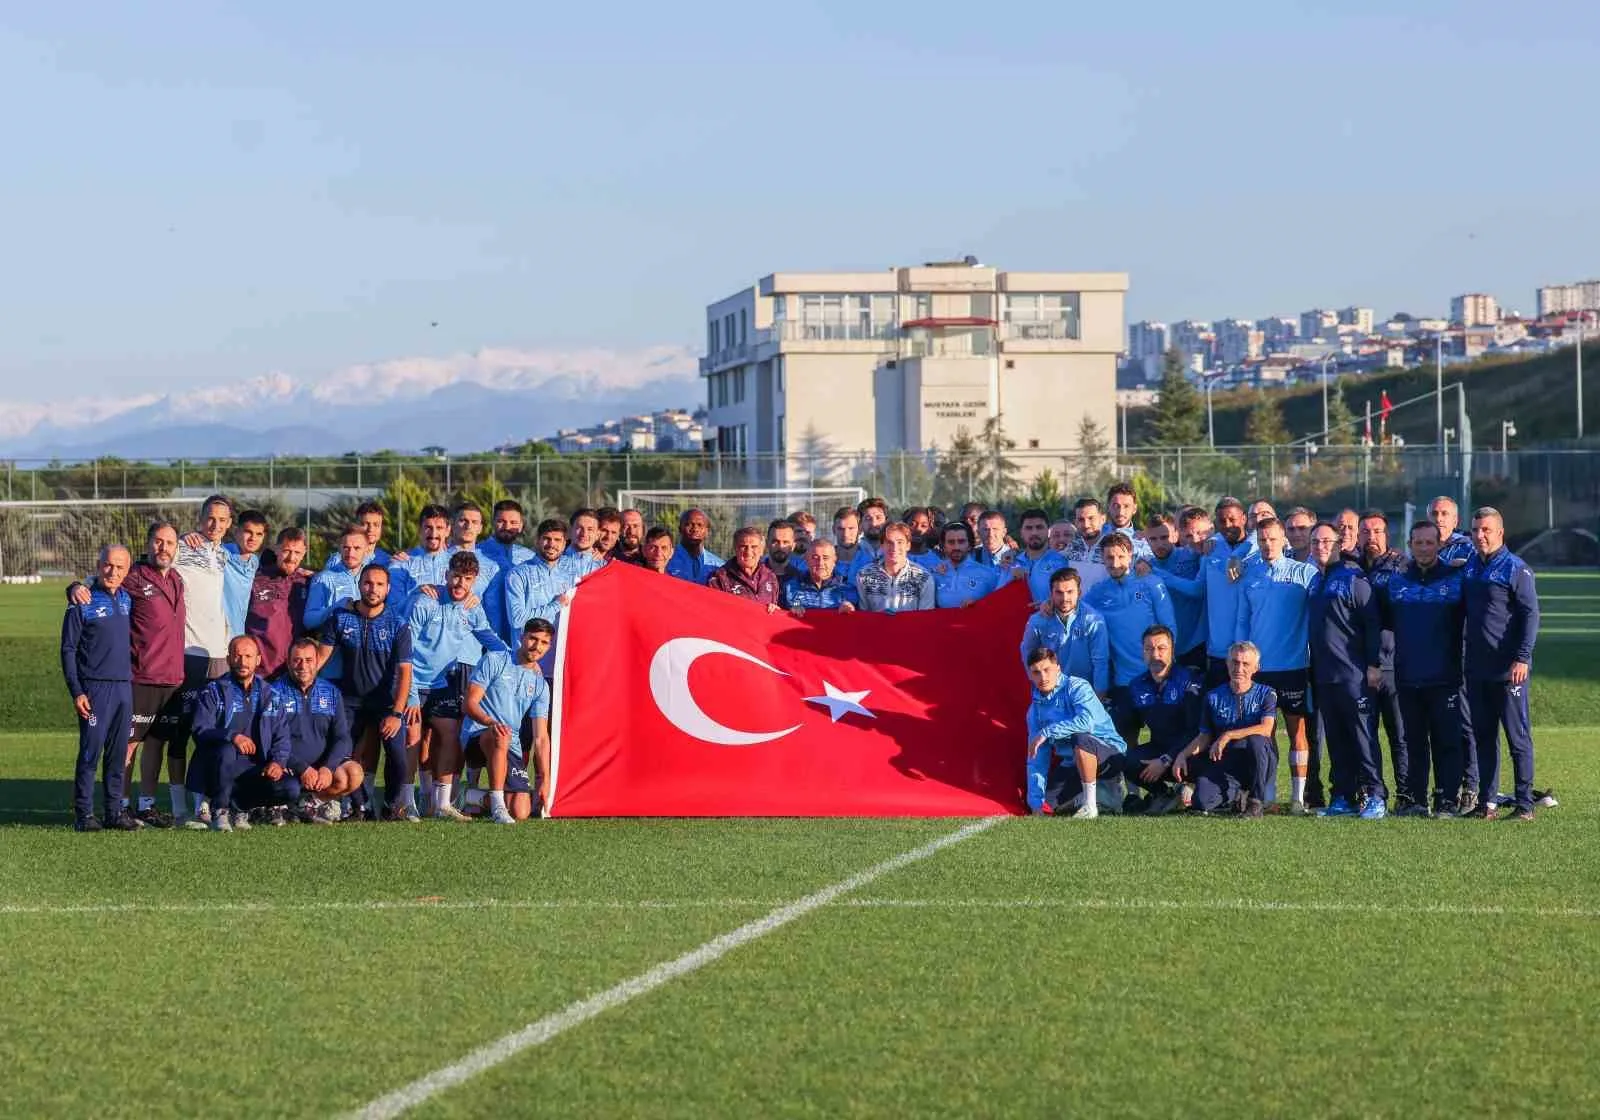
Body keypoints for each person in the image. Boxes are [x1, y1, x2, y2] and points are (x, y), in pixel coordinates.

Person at [71, 521, 187, 827]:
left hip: (161, 678)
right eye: (158, 542)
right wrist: (75, 587)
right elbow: (99, 583)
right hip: (128, 678)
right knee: (111, 749)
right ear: (148, 544)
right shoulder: (131, 578)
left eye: (170, 543)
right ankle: (101, 810)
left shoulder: (173, 579)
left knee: (146, 745)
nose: (164, 548)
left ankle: (130, 809)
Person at [407, 552, 509, 820]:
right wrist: (409, 695)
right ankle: (406, 802)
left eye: (466, 579)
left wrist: (515, 657)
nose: (459, 584)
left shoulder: (472, 608)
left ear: (474, 581)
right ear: (446, 575)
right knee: (413, 738)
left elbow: (487, 635)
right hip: (414, 682)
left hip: (442, 683)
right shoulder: (425, 602)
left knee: (450, 734)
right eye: (455, 577)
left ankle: (441, 804)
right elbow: (403, 649)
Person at [314, 564, 414, 820]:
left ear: (388, 589)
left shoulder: (398, 624)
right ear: (359, 586)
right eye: (368, 583)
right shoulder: (341, 618)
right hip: (349, 700)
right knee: (340, 750)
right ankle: (361, 805)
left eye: (380, 584)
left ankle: (392, 806)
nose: (373, 589)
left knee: (398, 756)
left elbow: (405, 673)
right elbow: (319, 659)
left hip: (385, 703)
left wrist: (397, 713)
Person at [1382, 520, 1466, 817]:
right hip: (1407, 676)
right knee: (1414, 742)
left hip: (1445, 676)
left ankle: (1446, 799)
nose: (1424, 548)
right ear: (1410, 544)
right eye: (1418, 542)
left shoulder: (1457, 576)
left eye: (1430, 542)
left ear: (1439, 544)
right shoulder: (1397, 580)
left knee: (1446, 741)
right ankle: (1417, 800)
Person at [1462, 507, 1540, 820]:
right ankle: (1488, 803)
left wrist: (1522, 657)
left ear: (1500, 532)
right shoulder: (1470, 566)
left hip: (1509, 671)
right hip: (1477, 669)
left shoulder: (1516, 568)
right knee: (1483, 737)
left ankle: (1524, 805)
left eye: (1486, 530)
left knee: (1517, 738)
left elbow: (1530, 615)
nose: (1480, 536)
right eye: (1476, 530)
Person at [1234, 516, 1317, 813]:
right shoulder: (1249, 575)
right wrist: (1241, 659)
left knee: (1298, 733)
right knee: (1263, 736)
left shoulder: (1305, 573)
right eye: (1262, 540)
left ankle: (1297, 798)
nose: (1267, 544)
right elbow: (1243, 620)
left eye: (1272, 539)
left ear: (1284, 539)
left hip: (1294, 666)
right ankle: (1266, 795)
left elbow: (1314, 617)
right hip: (1261, 670)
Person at [1306, 521, 1386, 819]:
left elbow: (1372, 623)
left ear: (1340, 544)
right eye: (1315, 542)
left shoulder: (1354, 577)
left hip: (1354, 675)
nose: (1320, 547)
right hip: (1325, 675)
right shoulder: (1315, 580)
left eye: (1327, 541)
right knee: (1337, 740)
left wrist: (1374, 665)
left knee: (1363, 738)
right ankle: (1343, 795)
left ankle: (1375, 795)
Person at [61, 545, 140, 831]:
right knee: (90, 752)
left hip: (123, 688)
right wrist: (77, 691)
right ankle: (83, 814)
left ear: (127, 570)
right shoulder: (82, 601)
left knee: (118, 754)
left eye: (120, 567)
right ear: (98, 565)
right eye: (108, 565)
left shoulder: (126, 600)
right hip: (95, 690)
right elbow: (68, 649)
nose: (113, 571)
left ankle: (113, 812)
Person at [169, 495, 236, 823]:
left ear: (229, 524)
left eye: (223, 520)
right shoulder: (183, 547)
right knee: (182, 732)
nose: (216, 525)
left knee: (215, 732)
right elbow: (147, 563)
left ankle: (205, 802)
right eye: (211, 518)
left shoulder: (228, 554)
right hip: (189, 654)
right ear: (200, 518)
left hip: (221, 656)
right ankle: (180, 809)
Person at [186, 635, 292, 832]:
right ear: (228, 659)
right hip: (217, 766)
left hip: (253, 768)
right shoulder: (212, 691)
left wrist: (278, 762)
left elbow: (282, 735)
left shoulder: (271, 695)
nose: (243, 662)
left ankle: (241, 808)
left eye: (248, 656)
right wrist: (232, 735)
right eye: (237, 656)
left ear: (258, 660)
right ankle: (220, 810)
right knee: (227, 750)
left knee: (290, 788)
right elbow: (200, 730)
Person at [461, 619, 555, 824]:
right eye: (533, 638)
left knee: (521, 811)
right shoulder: (495, 660)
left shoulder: (540, 684)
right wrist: (490, 722)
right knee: (500, 735)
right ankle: (497, 807)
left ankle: (472, 797)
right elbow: (469, 704)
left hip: (509, 744)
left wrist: (544, 779)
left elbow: (540, 738)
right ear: (522, 636)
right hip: (478, 734)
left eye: (544, 642)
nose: (537, 646)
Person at [1085, 533, 1176, 744]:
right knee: (1124, 743)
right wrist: (1048, 605)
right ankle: (1128, 778)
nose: (1115, 563)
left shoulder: (1151, 583)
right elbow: (1075, 610)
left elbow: (1170, 628)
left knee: (1165, 740)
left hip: (1157, 679)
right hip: (1123, 682)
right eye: (1109, 558)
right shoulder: (1098, 592)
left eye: (1120, 556)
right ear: (1103, 559)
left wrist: (1166, 671)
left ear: (1131, 555)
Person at [1171, 641, 1277, 818]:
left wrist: (1228, 735)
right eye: (1235, 662)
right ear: (1227, 664)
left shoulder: (1266, 693)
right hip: (1228, 762)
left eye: (1245, 664)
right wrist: (1182, 755)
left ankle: (1256, 802)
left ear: (1256, 668)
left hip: (1259, 760)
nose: (1239, 668)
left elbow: (1266, 729)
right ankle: (1239, 797)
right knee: (1201, 802)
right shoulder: (1213, 696)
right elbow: (1204, 736)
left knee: (1256, 741)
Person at [1023, 646, 1127, 818]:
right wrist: (1035, 803)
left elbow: (1087, 722)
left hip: (1109, 753)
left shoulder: (1077, 686)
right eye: (1036, 672)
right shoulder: (1034, 711)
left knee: (1081, 739)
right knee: (1048, 805)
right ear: (1030, 675)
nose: (1043, 677)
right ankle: (1101, 795)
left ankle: (1091, 804)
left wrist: (1048, 731)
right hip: (1072, 763)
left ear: (1058, 668)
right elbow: (1036, 759)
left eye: (1047, 670)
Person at [272, 637, 363, 824]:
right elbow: (271, 740)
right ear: (288, 662)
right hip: (286, 765)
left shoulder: (331, 692)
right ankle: (278, 806)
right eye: (297, 660)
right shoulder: (274, 693)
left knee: (353, 773)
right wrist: (301, 768)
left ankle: (307, 806)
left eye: (308, 660)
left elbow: (342, 737)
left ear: (317, 661)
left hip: (320, 767)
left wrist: (328, 768)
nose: (302, 666)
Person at [1116, 625, 1204, 815]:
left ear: (1172, 650)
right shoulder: (1137, 685)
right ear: (1143, 652)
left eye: (1161, 648)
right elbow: (1126, 725)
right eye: (1149, 649)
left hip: (1189, 753)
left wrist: (1166, 759)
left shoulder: (1189, 680)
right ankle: (1164, 793)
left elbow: (1195, 731)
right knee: (1126, 759)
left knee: (1204, 797)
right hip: (1159, 747)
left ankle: (1190, 789)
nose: (1155, 654)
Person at [1357, 509, 1409, 808]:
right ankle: (1372, 793)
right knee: (1365, 735)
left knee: (1399, 734)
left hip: (1392, 664)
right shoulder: (1352, 566)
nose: (1371, 537)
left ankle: (1405, 794)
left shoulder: (1400, 566)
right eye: (1366, 532)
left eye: (1377, 532)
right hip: (1359, 666)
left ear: (1386, 535)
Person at [505, 519, 590, 678]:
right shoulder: (518, 574)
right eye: (547, 539)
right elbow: (517, 619)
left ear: (565, 544)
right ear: (537, 541)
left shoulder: (572, 579)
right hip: (525, 666)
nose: (552, 544)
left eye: (557, 540)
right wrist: (555, 606)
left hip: (558, 669)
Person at [1019, 568, 1109, 691]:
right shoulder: (1038, 620)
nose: (1065, 598)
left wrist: (1099, 697)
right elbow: (1027, 653)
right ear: (1051, 594)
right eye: (1059, 592)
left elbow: (1100, 662)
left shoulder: (1093, 620)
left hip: (1083, 692)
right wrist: (1037, 682)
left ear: (1079, 592)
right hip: (1050, 691)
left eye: (1070, 592)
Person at [1200, 497, 1258, 687]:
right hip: (1218, 651)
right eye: (1222, 521)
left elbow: (1263, 537)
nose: (1227, 525)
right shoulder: (1212, 549)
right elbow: (1197, 588)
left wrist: (1237, 555)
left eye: (1232, 519)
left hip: (1250, 650)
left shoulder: (1257, 548)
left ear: (1243, 519)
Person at [304, 527, 368, 684]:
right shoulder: (324, 579)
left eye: (356, 548)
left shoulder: (373, 578)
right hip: (332, 669)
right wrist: (335, 607)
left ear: (366, 550)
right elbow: (308, 620)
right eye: (346, 547)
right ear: (339, 548)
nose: (350, 552)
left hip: (364, 671)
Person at [1144, 512, 1207, 672]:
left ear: (1175, 535)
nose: (1159, 544)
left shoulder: (1193, 555)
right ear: (1146, 540)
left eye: (1164, 537)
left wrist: (1158, 573)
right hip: (1162, 648)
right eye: (1153, 539)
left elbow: (1198, 590)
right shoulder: (1144, 566)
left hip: (1195, 645)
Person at [245, 527, 311, 679]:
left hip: (295, 673)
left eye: (297, 553)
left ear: (304, 553)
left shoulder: (308, 582)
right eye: (287, 551)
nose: (291, 557)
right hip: (259, 673)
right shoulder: (254, 580)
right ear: (276, 549)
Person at [480, 499, 535, 641]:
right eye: (501, 521)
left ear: (521, 526)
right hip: (486, 639)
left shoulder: (529, 558)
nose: (507, 526)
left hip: (520, 640)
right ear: (493, 522)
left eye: (513, 523)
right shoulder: (477, 554)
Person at [856, 522, 935, 612]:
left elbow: (925, 618)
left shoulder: (923, 577)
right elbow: (863, 616)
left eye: (900, 542)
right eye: (889, 542)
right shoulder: (864, 575)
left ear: (908, 545)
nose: (894, 548)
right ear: (882, 545)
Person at [218, 509, 268, 640]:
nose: (253, 538)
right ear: (236, 531)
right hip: (218, 637)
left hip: (239, 636)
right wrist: (191, 536)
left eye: (259, 534)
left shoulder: (254, 561)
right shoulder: (220, 553)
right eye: (248, 532)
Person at [1004, 508, 1067, 605]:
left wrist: (1047, 605)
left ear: (1048, 531)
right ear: (1021, 533)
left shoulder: (1062, 562)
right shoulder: (1011, 562)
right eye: (1029, 528)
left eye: (1039, 527)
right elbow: (998, 597)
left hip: (1048, 619)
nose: (1034, 533)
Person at [707, 527, 782, 609]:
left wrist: (774, 610)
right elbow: (714, 612)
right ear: (735, 548)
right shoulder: (720, 578)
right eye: (743, 546)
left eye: (754, 547)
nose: (748, 552)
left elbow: (774, 609)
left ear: (761, 550)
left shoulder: (771, 578)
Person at [931, 522, 999, 609]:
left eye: (961, 541)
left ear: (970, 545)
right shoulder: (934, 574)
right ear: (944, 546)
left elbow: (998, 607)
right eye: (951, 542)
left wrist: (979, 604)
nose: (956, 547)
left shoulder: (988, 574)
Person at [783, 539, 858, 614]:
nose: (820, 563)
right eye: (815, 558)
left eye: (825, 558)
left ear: (834, 561)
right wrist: (795, 607)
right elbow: (792, 604)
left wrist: (849, 607)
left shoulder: (848, 587)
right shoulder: (791, 587)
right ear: (806, 560)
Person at [324, 500, 391, 569]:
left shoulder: (388, 561)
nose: (371, 529)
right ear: (357, 525)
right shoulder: (338, 560)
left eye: (376, 525)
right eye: (365, 524)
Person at [665, 508, 722, 583]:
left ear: (707, 531)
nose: (695, 529)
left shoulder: (719, 566)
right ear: (680, 529)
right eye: (689, 524)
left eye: (700, 525)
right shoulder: (665, 560)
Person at [1103, 482, 1155, 560]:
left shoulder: (1144, 542)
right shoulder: (1096, 535)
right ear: (1108, 507)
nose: (1121, 512)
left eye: (1126, 506)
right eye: (1116, 506)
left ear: (1134, 509)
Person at [830, 507, 874, 586]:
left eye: (851, 528)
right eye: (840, 529)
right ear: (833, 530)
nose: (845, 534)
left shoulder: (871, 562)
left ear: (860, 529)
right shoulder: (822, 561)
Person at [1427, 496, 1475, 564]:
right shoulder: (1419, 546)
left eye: (1444, 514)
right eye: (1434, 514)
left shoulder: (1469, 548)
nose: (1438, 519)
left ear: (1455, 521)